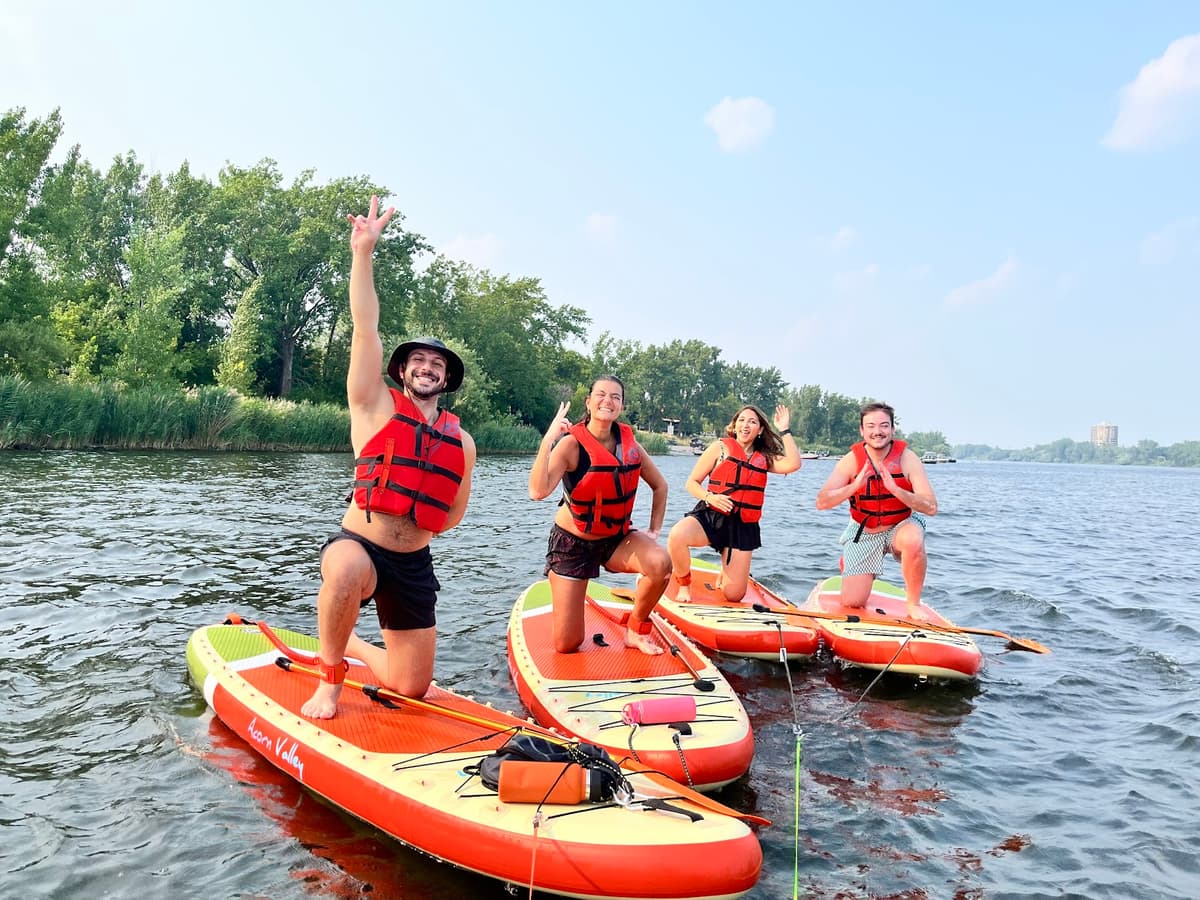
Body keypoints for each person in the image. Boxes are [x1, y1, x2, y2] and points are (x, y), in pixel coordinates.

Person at [301, 196, 477, 719]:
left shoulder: (461, 442)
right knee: (349, 569)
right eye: (418, 360)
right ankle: (329, 681)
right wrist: (364, 253)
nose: (427, 367)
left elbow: (454, 515)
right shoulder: (373, 404)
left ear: (447, 379)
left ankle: (352, 646)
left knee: (410, 687)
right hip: (359, 546)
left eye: (437, 364)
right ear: (403, 371)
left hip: (413, 563)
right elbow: (365, 326)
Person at [528, 376, 671, 655]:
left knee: (661, 563)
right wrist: (549, 439)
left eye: (616, 397)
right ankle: (565, 587)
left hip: (615, 539)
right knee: (567, 644)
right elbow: (538, 491)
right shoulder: (571, 444)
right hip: (573, 544)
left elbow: (660, 486)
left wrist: (653, 532)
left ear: (621, 405)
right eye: (601, 395)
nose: (608, 401)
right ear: (589, 402)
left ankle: (636, 630)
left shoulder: (631, 445)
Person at [814, 401, 937, 620]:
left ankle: (914, 604)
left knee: (913, 540)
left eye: (883, 426)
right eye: (870, 426)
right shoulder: (851, 461)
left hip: (901, 524)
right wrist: (854, 486)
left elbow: (931, 506)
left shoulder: (908, 459)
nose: (877, 432)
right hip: (866, 529)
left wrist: (896, 490)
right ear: (862, 430)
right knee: (852, 602)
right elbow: (822, 502)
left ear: (892, 429)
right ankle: (851, 563)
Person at [666, 405, 801, 602]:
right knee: (677, 536)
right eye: (742, 420)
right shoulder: (719, 448)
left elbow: (794, 464)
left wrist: (785, 430)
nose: (746, 425)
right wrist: (710, 497)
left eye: (752, 422)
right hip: (712, 515)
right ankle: (684, 584)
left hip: (743, 525)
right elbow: (691, 483)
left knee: (734, 595)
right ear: (735, 425)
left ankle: (726, 569)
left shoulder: (765, 458)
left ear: (760, 430)